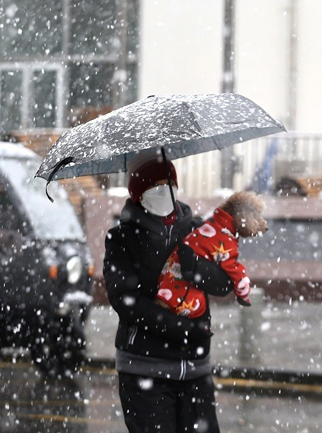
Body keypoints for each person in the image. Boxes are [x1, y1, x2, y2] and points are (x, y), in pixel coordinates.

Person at [104, 150, 234, 433]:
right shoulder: (122, 238)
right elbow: (126, 301)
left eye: (168, 184)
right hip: (144, 371)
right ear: (139, 193)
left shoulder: (198, 230)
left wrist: (197, 268)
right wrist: (182, 329)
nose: (164, 191)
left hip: (195, 371)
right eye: (154, 186)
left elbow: (225, 283)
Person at [156, 191, 267, 318]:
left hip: (165, 290)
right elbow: (232, 269)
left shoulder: (211, 226)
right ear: (243, 216)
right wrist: (244, 292)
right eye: (257, 217)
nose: (261, 222)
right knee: (201, 307)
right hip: (180, 301)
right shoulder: (224, 239)